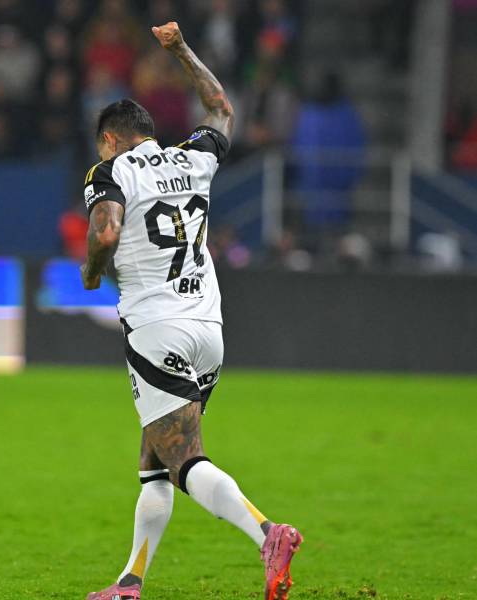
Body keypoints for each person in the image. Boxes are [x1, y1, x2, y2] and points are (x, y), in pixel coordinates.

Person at [81, 23, 302, 600]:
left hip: (156, 329)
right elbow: (221, 106)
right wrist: (179, 50)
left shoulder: (110, 173)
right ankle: (130, 582)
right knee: (154, 463)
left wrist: (90, 271)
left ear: (109, 140)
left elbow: (104, 233)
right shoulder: (192, 159)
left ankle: (267, 534)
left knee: (184, 462)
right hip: (209, 329)